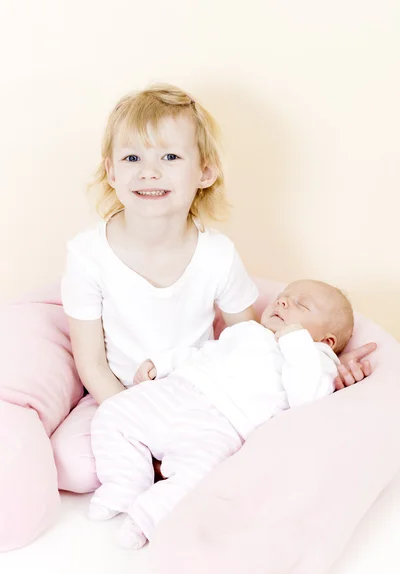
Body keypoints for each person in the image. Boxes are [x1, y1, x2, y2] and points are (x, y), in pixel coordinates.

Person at [52, 83, 376, 494]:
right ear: (112, 172)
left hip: (198, 397)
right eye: (132, 157)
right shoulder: (87, 254)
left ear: (205, 171)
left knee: (246, 453)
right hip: (116, 393)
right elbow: (92, 364)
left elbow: (257, 344)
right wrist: (136, 415)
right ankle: (162, 464)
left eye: (170, 156)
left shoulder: (217, 255)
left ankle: (170, 469)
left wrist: (327, 365)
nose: (148, 171)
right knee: (74, 465)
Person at [89, 279, 354, 549]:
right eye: (283, 297)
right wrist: (162, 363)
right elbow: (205, 352)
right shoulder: (248, 331)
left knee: (200, 476)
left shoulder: (315, 359)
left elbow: (307, 400)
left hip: (223, 425)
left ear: (327, 340)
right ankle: (124, 482)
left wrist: (297, 342)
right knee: (114, 412)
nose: (283, 302)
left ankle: (145, 518)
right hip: (179, 390)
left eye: (301, 304)